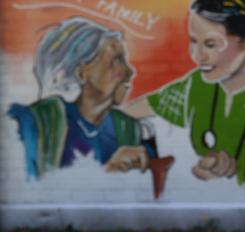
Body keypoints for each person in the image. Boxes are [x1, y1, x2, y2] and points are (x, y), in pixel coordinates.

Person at [129, 0, 245, 184]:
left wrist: (233, 173)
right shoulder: (196, 85)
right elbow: (134, 111)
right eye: (193, 41)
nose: (197, 56)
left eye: (210, 45)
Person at [7, 18, 156, 178]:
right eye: (116, 60)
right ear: (81, 74)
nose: (130, 71)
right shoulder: (36, 121)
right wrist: (110, 172)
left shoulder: (130, 129)